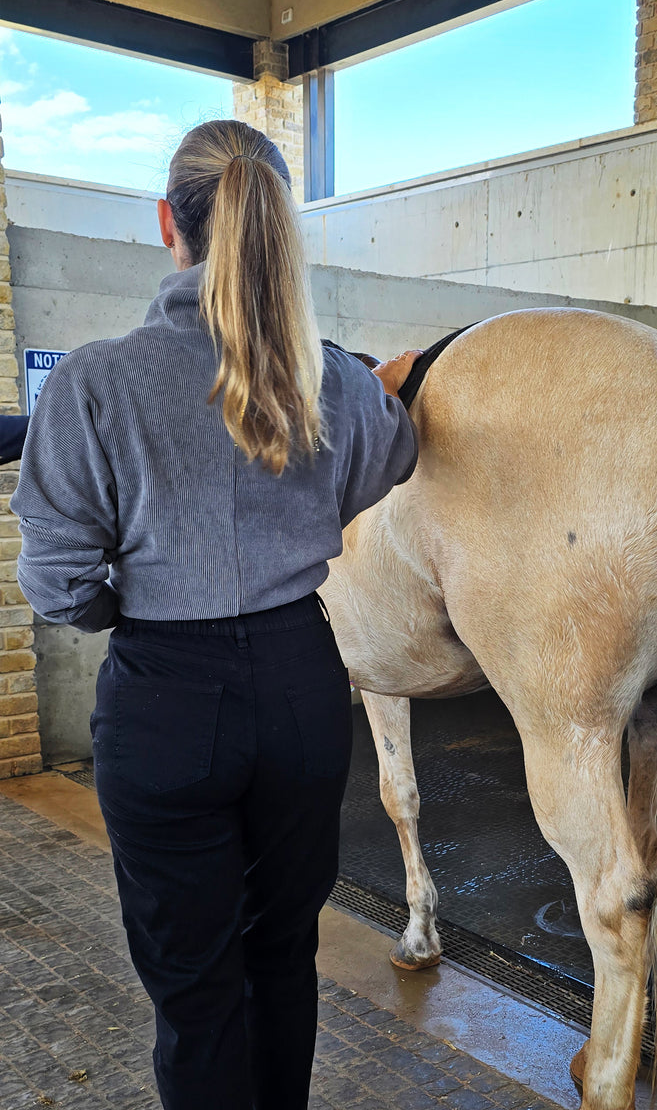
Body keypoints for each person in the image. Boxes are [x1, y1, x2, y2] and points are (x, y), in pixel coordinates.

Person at [10, 120, 420, 1110]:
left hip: (164, 699)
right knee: (281, 959)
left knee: (196, 992)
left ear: (169, 223)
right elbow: (394, 459)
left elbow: (60, 583)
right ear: (280, 230)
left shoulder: (92, 384)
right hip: (298, 691)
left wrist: (133, 602)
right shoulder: (329, 378)